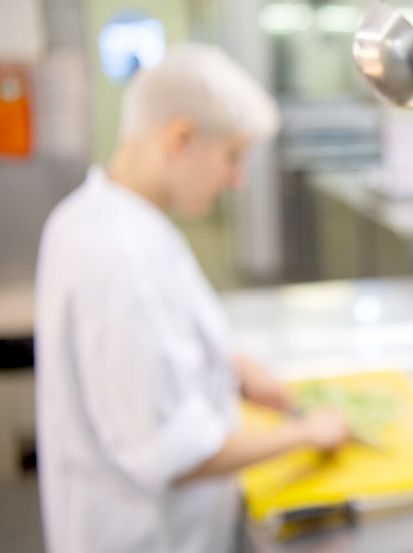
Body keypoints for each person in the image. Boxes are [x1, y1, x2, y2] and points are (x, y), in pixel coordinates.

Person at [34, 43, 348, 553]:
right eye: (232, 156)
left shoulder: (93, 215)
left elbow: (147, 353)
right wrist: (308, 433)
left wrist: (232, 368)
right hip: (146, 536)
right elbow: (173, 455)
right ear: (180, 138)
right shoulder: (121, 257)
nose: (236, 178)